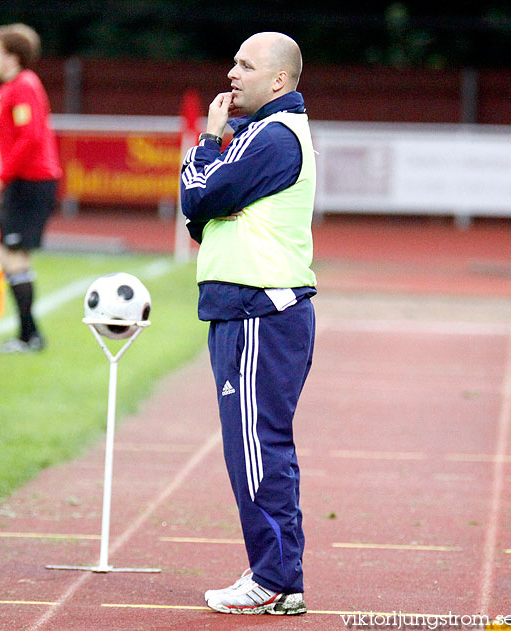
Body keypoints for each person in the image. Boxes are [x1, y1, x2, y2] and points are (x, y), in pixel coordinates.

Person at [180, 32, 317, 615]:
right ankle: (276, 573)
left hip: (259, 308)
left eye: (246, 65)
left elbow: (196, 196)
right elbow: (203, 213)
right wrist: (209, 198)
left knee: (257, 448)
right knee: (256, 446)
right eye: (232, 60)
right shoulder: (261, 135)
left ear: (279, 81)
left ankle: (276, 578)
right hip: (247, 307)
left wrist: (208, 143)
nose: (232, 73)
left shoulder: (269, 135)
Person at [0, 23, 63, 353]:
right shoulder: (10, 89)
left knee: (12, 256)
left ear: (13, 57)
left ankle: (29, 336)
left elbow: (29, 137)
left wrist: (1, 177)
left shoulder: (24, 86)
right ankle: (27, 334)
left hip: (32, 181)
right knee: (11, 257)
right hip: (23, 181)